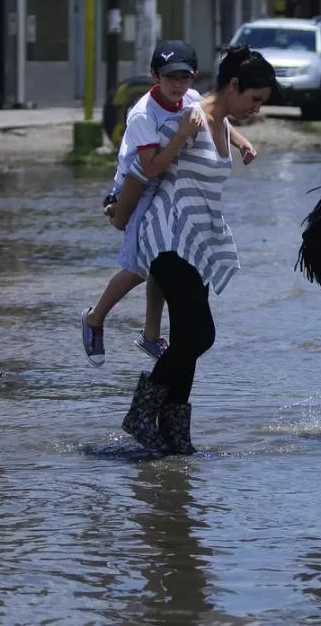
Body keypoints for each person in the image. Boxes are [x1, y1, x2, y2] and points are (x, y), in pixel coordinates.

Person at [120, 45, 276, 455]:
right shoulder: (188, 117)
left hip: (197, 241)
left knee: (187, 338)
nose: (257, 109)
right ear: (234, 85)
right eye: (255, 99)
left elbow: (218, 126)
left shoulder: (219, 119)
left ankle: (176, 437)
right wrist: (118, 212)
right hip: (167, 236)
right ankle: (140, 415)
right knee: (200, 334)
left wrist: (240, 143)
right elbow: (144, 169)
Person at [82, 40, 258, 367]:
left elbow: (219, 117)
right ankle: (95, 318)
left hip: (167, 183)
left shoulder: (191, 99)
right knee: (138, 266)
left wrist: (242, 142)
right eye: (170, 77)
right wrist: (180, 136)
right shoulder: (142, 116)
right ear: (154, 75)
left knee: (162, 261)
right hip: (136, 190)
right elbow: (147, 169)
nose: (178, 85)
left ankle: (150, 336)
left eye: (185, 77)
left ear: (194, 77)